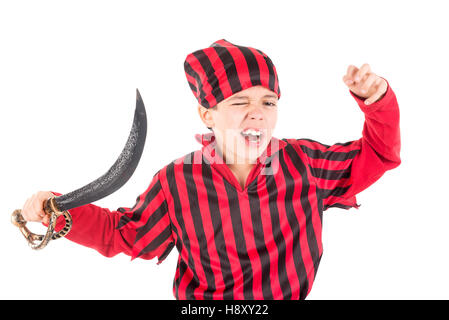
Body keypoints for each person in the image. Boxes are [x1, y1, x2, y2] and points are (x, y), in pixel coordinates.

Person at [20, 39, 401, 300]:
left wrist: (377, 100)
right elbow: (122, 235)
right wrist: (58, 210)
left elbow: (380, 153)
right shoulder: (176, 182)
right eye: (240, 101)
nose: (257, 112)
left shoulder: (306, 165)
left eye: (269, 101)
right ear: (207, 114)